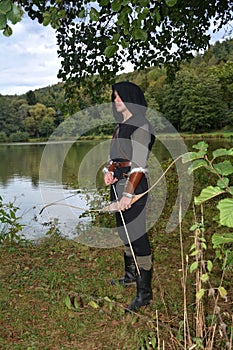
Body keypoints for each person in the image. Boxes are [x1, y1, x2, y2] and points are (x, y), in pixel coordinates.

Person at [103, 81, 155, 311]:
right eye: (114, 96)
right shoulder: (120, 125)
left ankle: (145, 294)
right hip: (118, 184)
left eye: (118, 96)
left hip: (134, 187)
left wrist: (127, 194)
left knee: (137, 236)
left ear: (129, 98)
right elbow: (115, 157)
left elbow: (138, 164)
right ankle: (130, 275)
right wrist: (108, 172)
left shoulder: (141, 125)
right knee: (124, 231)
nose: (115, 100)